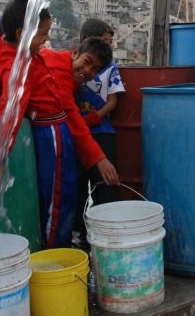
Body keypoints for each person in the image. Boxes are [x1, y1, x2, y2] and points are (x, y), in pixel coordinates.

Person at [0, 0, 119, 248]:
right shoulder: (19, 65)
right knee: (58, 198)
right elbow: (10, 110)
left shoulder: (21, 52)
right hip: (52, 134)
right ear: (23, 34)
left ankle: (59, 244)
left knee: (62, 195)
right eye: (44, 34)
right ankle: (55, 252)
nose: (46, 41)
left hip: (57, 132)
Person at [72, 18, 125, 247]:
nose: (108, 48)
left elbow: (113, 101)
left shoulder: (110, 69)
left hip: (102, 132)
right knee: (76, 185)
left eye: (110, 43)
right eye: (104, 42)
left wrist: (96, 117)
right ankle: (78, 233)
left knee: (105, 185)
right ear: (85, 42)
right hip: (77, 132)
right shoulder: (74, 67)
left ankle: (106, 233)